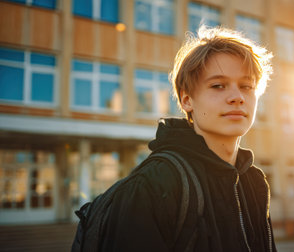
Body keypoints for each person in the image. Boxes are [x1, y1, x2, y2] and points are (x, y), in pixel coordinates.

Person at [101, 26, 276, 252]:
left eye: (246, 86)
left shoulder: (254, 182)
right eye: (218, 86)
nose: (237, 97)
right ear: (186, 100)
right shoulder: (151, 186)